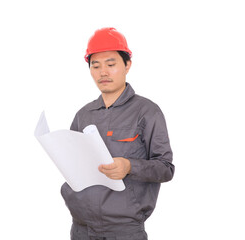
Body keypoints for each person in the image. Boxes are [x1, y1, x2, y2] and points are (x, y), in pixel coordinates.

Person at [61, 27, 175, 240]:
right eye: (96, 66)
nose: (103, 72)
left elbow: (166, 169)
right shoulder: (83, 115)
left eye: (111, 64)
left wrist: (129, 166)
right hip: (81, 228)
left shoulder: (147, 111)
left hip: (123, 231)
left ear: (127, 65)